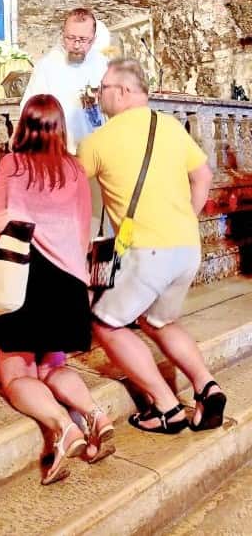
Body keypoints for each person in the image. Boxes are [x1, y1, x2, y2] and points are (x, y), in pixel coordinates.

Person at [80, 58, 224, 435]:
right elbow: (203, 174)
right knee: (159, 320)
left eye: (102, 89)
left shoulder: (98, 141)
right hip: (185, 247)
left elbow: (70, 188)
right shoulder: (171, 126)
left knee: (107, 324)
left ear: (124, 91)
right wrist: (187, 218)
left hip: (146, 252)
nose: (98, 97)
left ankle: (166, 407)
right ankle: (207, 388)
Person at [0, 92, 110, 481]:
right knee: (54, 363)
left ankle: (61, 425)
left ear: (25, 125)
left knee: (17, 373)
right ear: (59, 128)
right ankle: (93, 414)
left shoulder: (13, 163)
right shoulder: (74, 170)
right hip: (69, 280)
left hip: (25, 277)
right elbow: (84, 227)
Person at [22, 7, 109, 152]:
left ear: (93, 39)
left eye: (82, 40)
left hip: (95, 149)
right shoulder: (47, 66)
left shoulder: (103, 65)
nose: (76, 45)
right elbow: (29, 107)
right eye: (70, 38)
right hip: (56, 150)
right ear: (63, 35)